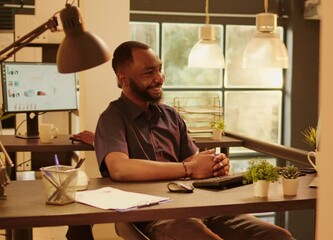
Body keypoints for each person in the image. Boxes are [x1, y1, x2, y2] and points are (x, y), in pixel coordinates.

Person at [68, 41, 295, 240]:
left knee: (277, 236)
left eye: (160, 69)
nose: (159, 78)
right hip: (153, 215)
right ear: (123, 79)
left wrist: (213, 165)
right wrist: (189, 168)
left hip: (199, 206)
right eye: (149, 72)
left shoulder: (170, 115)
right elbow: (119, 169)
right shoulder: (112, 118)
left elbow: (193, 159)